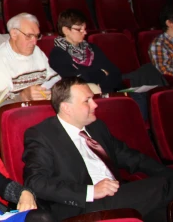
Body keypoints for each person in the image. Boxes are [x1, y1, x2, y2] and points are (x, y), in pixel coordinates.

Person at [23, 76, 173, 221]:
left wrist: (168, 173)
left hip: (117, 195)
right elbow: (36, 182)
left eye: (93, 99)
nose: (95, 105)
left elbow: (132, 158)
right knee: (162, 187)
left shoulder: (97, 127)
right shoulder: (42, 135)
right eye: (87, 101)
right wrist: (91, 192)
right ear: (66, 108)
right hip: (82, 207)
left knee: (163, 211)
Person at [0, 13, 57, 101]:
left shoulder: (36, 51)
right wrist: (23, 96)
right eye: (29, 36)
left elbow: (54, 80)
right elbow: (0, 103)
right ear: (14, 34)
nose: (34, 42)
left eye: (37, 36)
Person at [48, 9, 122, 93]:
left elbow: (115, 73)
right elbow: (76, 80)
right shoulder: (58, 54)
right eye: (79, 29)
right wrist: (103, 72)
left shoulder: (92, 48)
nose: (85, 32)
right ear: (66, 30)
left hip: (106, 93)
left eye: (85, 29)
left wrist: (98, 80)